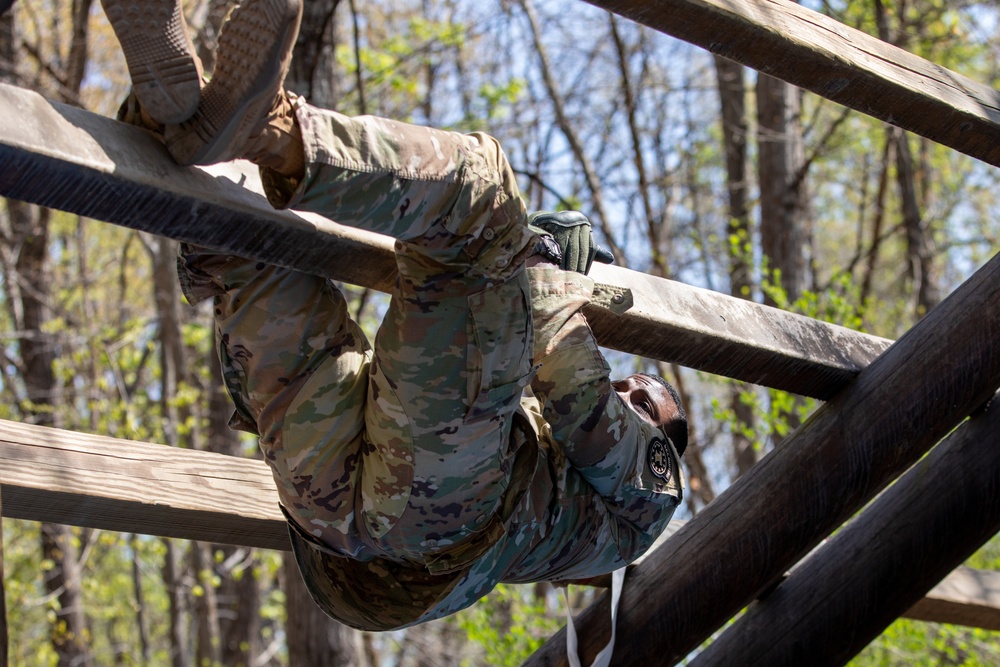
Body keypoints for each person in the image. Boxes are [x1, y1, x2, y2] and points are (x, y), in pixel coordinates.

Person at [103, 0, 687, 631]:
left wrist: (542, 276)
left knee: (479, 196)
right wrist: (528, 288)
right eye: (635, 381)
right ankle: (172, 109)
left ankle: (270, 127)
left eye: (648, 401)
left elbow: (576, 388)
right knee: (240, 228)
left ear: (668, 445)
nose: (630, 385)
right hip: (333, 524)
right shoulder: (555, 479)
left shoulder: (652, 499)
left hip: (427, 515)